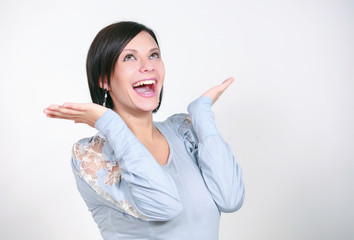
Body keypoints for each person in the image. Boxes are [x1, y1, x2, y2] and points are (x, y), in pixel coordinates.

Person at [43, 21, 245, 240]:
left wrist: (202, 114)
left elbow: (230, 198)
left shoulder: (183, 131)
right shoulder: (91, 155)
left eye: (154, 55)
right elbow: (164, 207)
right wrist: (111, 123)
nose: (148, 66)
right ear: (103, 79)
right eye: (129, 57)